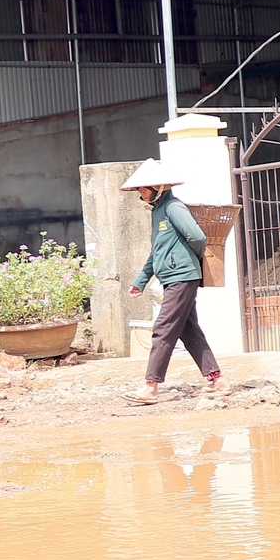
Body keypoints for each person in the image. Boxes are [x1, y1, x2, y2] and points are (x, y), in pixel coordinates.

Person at [121, 159, 223, 405]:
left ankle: (151, 387)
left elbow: (197, 237)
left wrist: (190, 261)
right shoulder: (158, 211)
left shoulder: (173, 207)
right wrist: (141, 280)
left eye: (144, 188)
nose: (140, 193)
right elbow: (157, 252)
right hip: (175, 278)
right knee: (189, 331)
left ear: (160, 187)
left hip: (182, 277)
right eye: (139, 189)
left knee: (163, 329)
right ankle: (218, 381)